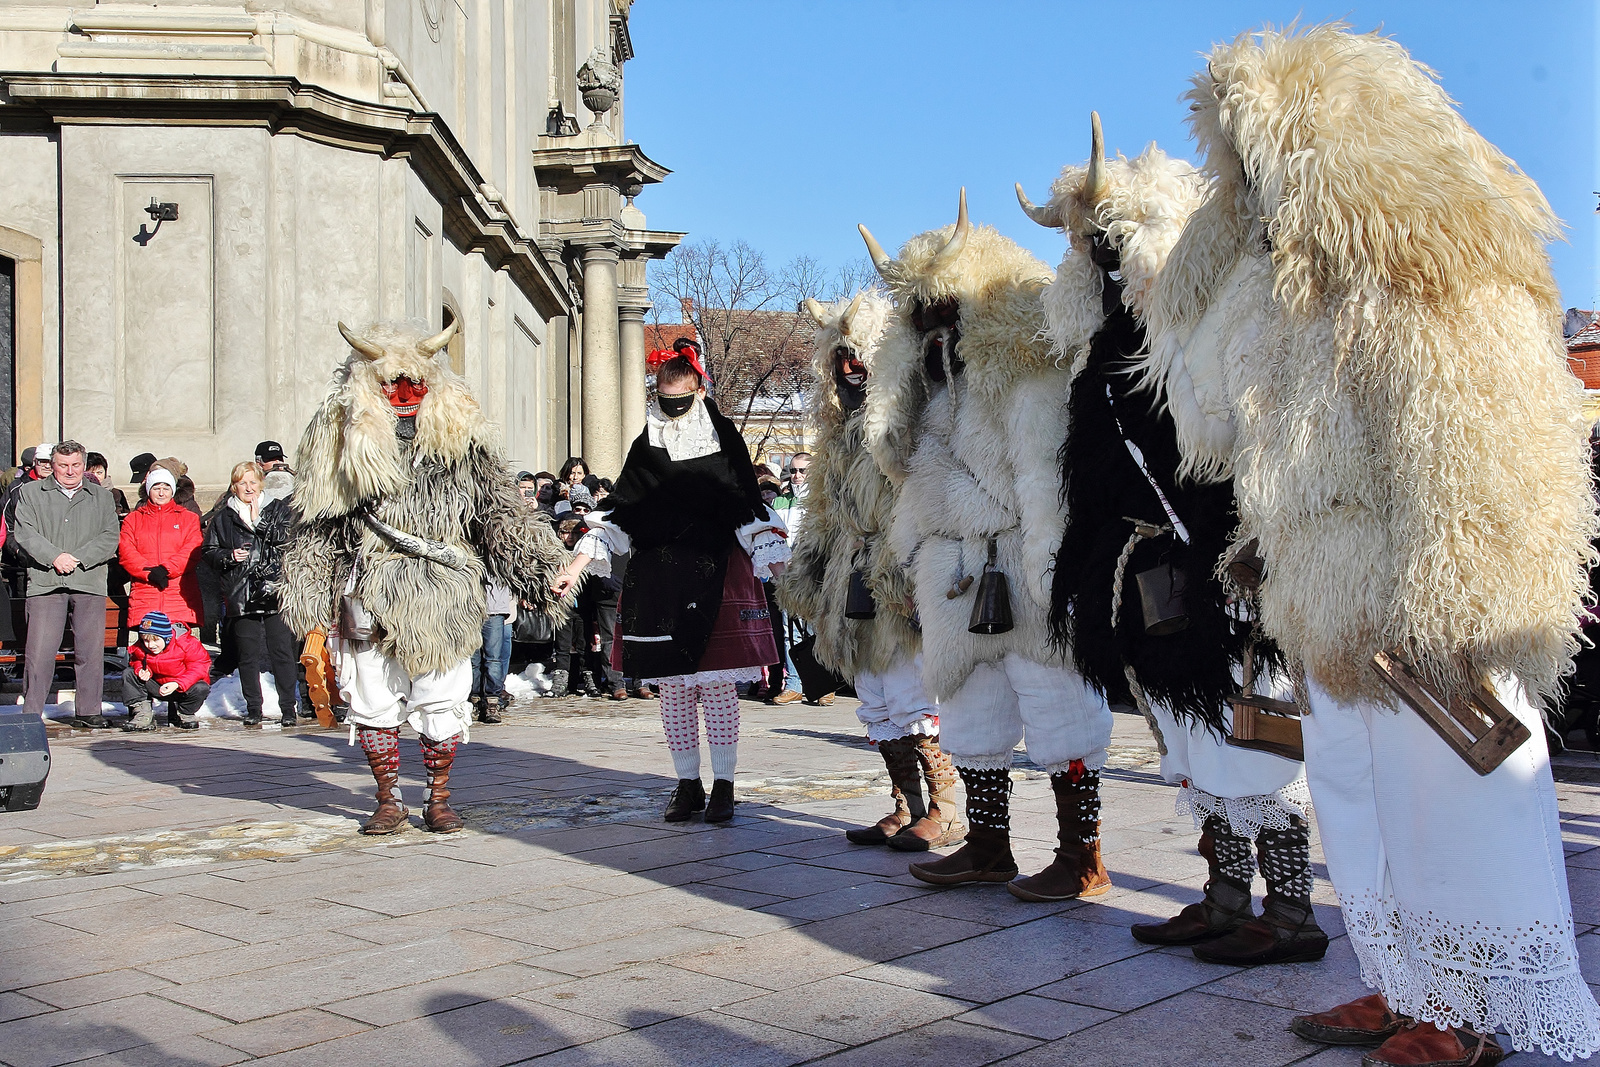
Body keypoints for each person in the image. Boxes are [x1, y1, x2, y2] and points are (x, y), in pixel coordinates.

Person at [1142, 25, 1600, 1063]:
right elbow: (1217, 428)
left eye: (1264, 160)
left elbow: (1492, 453)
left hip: (1425, 588)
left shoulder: (1434, 258)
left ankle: (1470, 1011)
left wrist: (1460, 598)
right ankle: (1400, 979)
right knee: (1356, 794)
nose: (1250, 188)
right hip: (1322, 587)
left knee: (1457, 800)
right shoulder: (1286, 289)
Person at [1023, 120, 1324, 957]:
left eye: (1113, 246)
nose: (1103, 264)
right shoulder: (1106, 350)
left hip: (1218, 564)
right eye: (1092, 252)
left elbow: (1239, 444)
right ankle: (1226, 895)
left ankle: (1293, 913)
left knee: (1252, 736)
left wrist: (1241, 550)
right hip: (1145, 570)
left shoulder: (1203, 331)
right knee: (1191, 740)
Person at [861, 193, 1115, 894]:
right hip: (955, 576)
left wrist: (1051, 567)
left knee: (1059, 705)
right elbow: (907, 476)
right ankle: (989, 845)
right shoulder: (928, 393)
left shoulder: (1026, 374)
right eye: (920, 317)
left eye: (943, 310)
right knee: (972, 714)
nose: (932, 329)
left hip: (1021, 564)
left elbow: (1041, 480)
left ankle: (1081, 855)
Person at [280, 320, 567, 835]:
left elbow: (498, 512)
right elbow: (318, 522)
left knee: (442, 696)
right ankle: (388, 798)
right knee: (371, 697)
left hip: (443, 594)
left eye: (416, 383)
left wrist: (538, 568)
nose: (405, 395)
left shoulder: (463, 446)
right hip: (368, 586)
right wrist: (310, 587)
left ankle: (438, 796)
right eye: (392, 385)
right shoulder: (340, 445)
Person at [552, 347, 789, 824]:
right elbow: (622, 512)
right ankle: (687, 785)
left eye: (680, 402)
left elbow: (747, 507)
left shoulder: (724, 439)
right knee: (675, 692)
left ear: (700, 392)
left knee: (719, 692)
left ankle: (724, 786)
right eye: (663, 401)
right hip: (659, 578)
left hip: (718, 571)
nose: (671, 411)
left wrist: (784, 575)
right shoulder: (646, 445)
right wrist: (575, 567)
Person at [780, 291, 966, 851]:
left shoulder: (913, 416)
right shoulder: (838, 434)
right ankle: (906, 805)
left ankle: (947, 809)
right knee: (877, 699)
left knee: (913, 695)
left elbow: (927, 494)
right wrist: (808, 570)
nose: (850, 370)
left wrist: (912, 567)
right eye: (841, 360)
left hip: (900, 571)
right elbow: (823, 510)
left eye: (860, 357)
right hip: (851, 575)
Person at [10, 441, 122, 728]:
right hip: (46, 581)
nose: (69, 471)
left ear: (83, 465)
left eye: (75, 465)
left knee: (90, 651)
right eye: (63, 465)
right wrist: (54, 557)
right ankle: (32, 712)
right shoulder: (32, 493)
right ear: (52, 465)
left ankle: (88, 711)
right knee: (40, 652)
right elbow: (25, 532)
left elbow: (110, 536)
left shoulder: (101, 496)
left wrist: (80, 558)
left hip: (89, 580)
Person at [203, 461, 299, 727]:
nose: (248, 488)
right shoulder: (224, 517)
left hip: (273, 588)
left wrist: (259, 522)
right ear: (234, 486)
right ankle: (253, 708)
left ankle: (288, 708)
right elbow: (209, 552)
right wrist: (229, 556)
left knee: (282, 652)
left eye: (253, 482)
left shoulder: (278, 509)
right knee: (247, 654)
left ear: (261, 484)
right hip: (240, 591)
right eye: (242, 483)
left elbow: (288, 538)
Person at [119, 467, 204, 631]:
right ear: (148, 490)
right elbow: (126, 551)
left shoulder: (189, 518)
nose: (161, 493)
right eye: (156, 488)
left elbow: (192, 549)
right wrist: (149, 572)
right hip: (145, 593)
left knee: (179, 648)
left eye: (166, 488)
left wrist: (166, 569)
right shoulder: (133, 519)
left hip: (179, 594)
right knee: (149, 648)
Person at [121, 611, 210, 730]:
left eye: (156, 640)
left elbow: (200, 667)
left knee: (201, 687)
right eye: (146, 640)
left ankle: (185, 714)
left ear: (167, 638)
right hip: (157, 686)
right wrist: (142, 669)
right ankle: (143, 714)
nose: (150, 645)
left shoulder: (187, 644)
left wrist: (178, 683)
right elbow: (136, 659)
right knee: (129, 674)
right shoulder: (141, 646)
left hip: (182, 688)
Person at [470, 579, 514, 724]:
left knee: (493, 659)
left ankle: (492, 703)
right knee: (472, 659)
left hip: (495, 608)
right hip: (469, 607)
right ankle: (474, 701)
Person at [86, 452, 129, 518]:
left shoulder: (117, 494)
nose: (95, 476)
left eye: (99, 473)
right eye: (91, 473)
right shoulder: (81, 492)